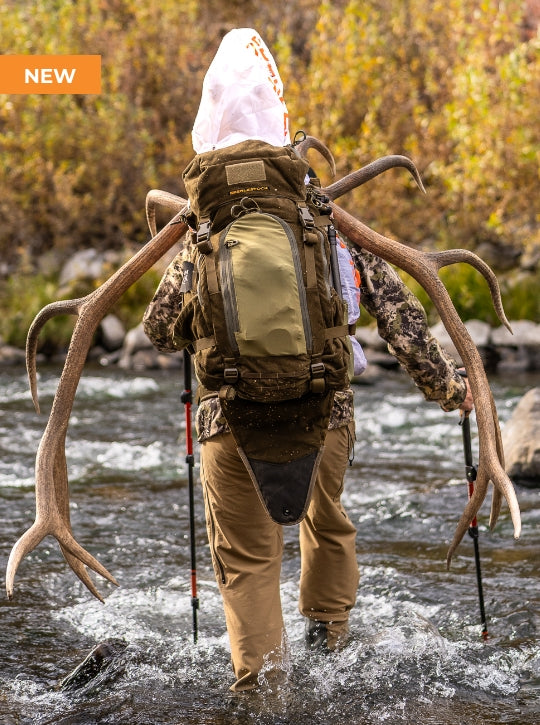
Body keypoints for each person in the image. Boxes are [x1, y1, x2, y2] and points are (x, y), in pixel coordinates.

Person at [143, 29, 473, 692]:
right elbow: (399, 318)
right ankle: (330, 638)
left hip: (228, 422)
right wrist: (453, 389)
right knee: (326, 518)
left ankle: (264, 688)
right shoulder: (325, 219)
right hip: (328, 412)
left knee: (247, 561)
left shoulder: (203, 232)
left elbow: (157, 331)